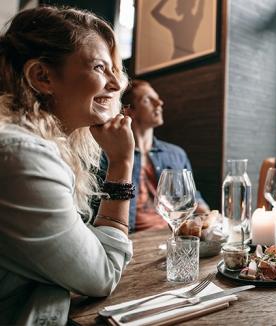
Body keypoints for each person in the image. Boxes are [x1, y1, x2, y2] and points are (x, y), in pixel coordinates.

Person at [0, 6, 134, 324]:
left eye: (116, 69)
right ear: (42, 77)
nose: (117, 85)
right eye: (102, 68)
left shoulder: (37, 145)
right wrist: (121, 164)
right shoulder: (21, 155)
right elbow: (102, 274)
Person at [94, 79, 210, 232]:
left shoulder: (176, 154)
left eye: (158, 98)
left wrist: (208, 218)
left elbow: (193, 198)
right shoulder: (107, 156)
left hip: (171, 234)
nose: (159, 103)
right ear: (129, 111)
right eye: (147, 100)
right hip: (130, 238)